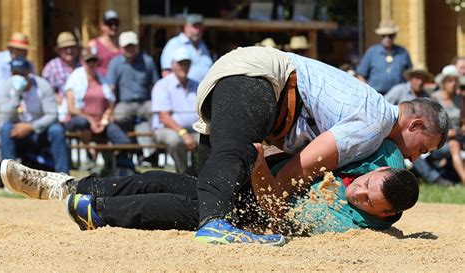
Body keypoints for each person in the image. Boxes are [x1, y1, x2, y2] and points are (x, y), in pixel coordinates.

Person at [190, 46, 448, 244]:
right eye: (423, 149)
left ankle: (150, 188)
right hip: (258, 78)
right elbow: (287, 180)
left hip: (243, 75)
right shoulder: (373, 126)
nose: (414, 158)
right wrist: (265, 180)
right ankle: (214, 223)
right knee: (235, 157)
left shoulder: (374, 109)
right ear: (414, 125)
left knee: (210, 187)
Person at [0, 139, 418, 245]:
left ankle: (98, 211)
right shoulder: (381, 167)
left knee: (189, 205)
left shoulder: (351, 224)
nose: (356, 193)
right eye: (362, 185)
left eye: (366, 201)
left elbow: (276, 214)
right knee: (163, 178)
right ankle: (66, 186)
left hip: (257, 211)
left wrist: (257, 168)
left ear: (380, 215)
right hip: (250, 190)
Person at [64, 47, 134, 173]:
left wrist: (104, 120)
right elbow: (71, 108)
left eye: (94, 61)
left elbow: (110, 104)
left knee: (124, 141)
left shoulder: (103, 79)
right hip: (80, 121)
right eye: (88, 61)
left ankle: (121, 169)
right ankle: (90, 155)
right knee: (82, 123)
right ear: (82, 61)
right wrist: (90, 120)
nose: (91, 64)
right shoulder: (74, 78)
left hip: (101, 122)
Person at [0, 56, 69, 173]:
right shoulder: (7, 87)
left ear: (28, 72)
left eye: (21, 72)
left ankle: (64, 175)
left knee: (57, 130)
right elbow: (3, 117)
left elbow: (52, 114)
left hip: (40, 131)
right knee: (5, 129)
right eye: (15, 73)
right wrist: (16, 97)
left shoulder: (42, 85)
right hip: (17, 132)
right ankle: (8, 176)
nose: (18, 76)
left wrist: (31, 126)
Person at [385, 66, 455, 186]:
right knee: (413, 148)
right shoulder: (399, 90)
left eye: (422, 79)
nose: (420, 81)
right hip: (400, 137)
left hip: (425, 138)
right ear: (410, 79)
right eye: (417, 78)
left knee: (440, 149)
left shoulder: (427, 96)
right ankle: (435, 179)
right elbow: (386, 107)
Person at [151, 48, 199, 173]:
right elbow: (164, 117)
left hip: (193, 130)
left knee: (208, 140)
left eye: (187, 63)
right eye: (181, 63)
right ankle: (182, 174)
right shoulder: (162, 85)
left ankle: (201, 175)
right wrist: (183, 133)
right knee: (176, 141)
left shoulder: (196, 85)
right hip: (166, 129)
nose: (184, 66)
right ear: (173, 65)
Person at [107, 31, 159, 131]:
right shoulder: (115, 63)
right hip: (124, 103)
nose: (130, 49)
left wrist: (157, 103)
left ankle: (156, 140)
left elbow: (155, 85)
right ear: (121, 47)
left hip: (145, 102)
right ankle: (129, 138)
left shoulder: (147, 61)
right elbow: (111, 88)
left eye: (132, 46)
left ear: (137, 46)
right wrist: (110, 110)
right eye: (127, 46)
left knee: (156, 113)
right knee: (119, 116)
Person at [356, 21, 412, 95]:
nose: (387, 38)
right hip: (376, 94)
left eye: (390, 35)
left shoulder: (403, 52)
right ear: (380, 36)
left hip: (398, 97)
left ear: (395, 35)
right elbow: (360, 75)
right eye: (384, 36)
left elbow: (410, 75)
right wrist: (368, 91)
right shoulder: (372, 51)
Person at [430, 65, 465, 184]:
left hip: (459, 135)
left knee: (455, 143)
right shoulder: (435, 99)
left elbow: (463, 120)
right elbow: (431, 126)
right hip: (440, 140)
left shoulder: (459, 99)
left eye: (456, 81)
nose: (454, 84)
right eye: (450, 81)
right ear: (443, 83)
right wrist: (447, 133)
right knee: (454, 145)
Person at [160, 14, 213, 82]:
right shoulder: (174, 43)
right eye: (194, 27)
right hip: (183, 91)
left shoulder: (203, 45)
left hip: (204, 90)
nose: (197, 30)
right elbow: (166, 72)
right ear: (186, 27)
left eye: (200, 27)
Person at [42, 32, 80, 123]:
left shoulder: (82, 66)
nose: (69, 51)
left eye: (72, 47)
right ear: (58, 50)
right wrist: (60, 100)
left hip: (81, 107)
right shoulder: (51, 67)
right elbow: (45, 90)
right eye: (65, 48)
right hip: (60, 109)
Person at [0, 32, 34, 103]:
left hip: (21, 104)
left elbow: (33, 85)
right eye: (20, 50)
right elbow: (0, 90)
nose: (25, 53)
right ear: (10, 49)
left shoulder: (28, 64)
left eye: (25, 50)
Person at [88, 9, 121, 76]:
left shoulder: (123, 45)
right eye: (109, 23)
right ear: (102, 25)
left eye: (116, 23)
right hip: (102, 83)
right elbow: (88, 68)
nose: (113, 27)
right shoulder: (93, 45)